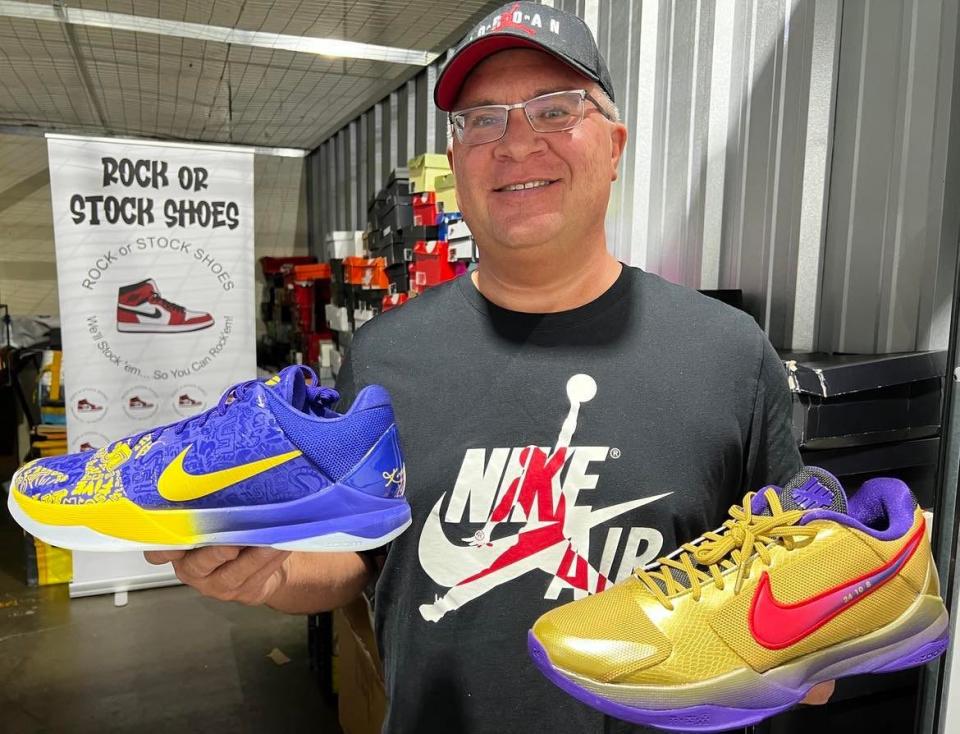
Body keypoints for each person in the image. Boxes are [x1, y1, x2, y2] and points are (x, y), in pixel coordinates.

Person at [146, 2, 834, 731]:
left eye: (555, 109)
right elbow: (358, 559)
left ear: (614, 145)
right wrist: (273, 571)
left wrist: (817, 636)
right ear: (456, 161)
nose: (514, 143)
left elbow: (796, 569)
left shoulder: (727, 351)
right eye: (482, 119)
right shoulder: (384, 356)